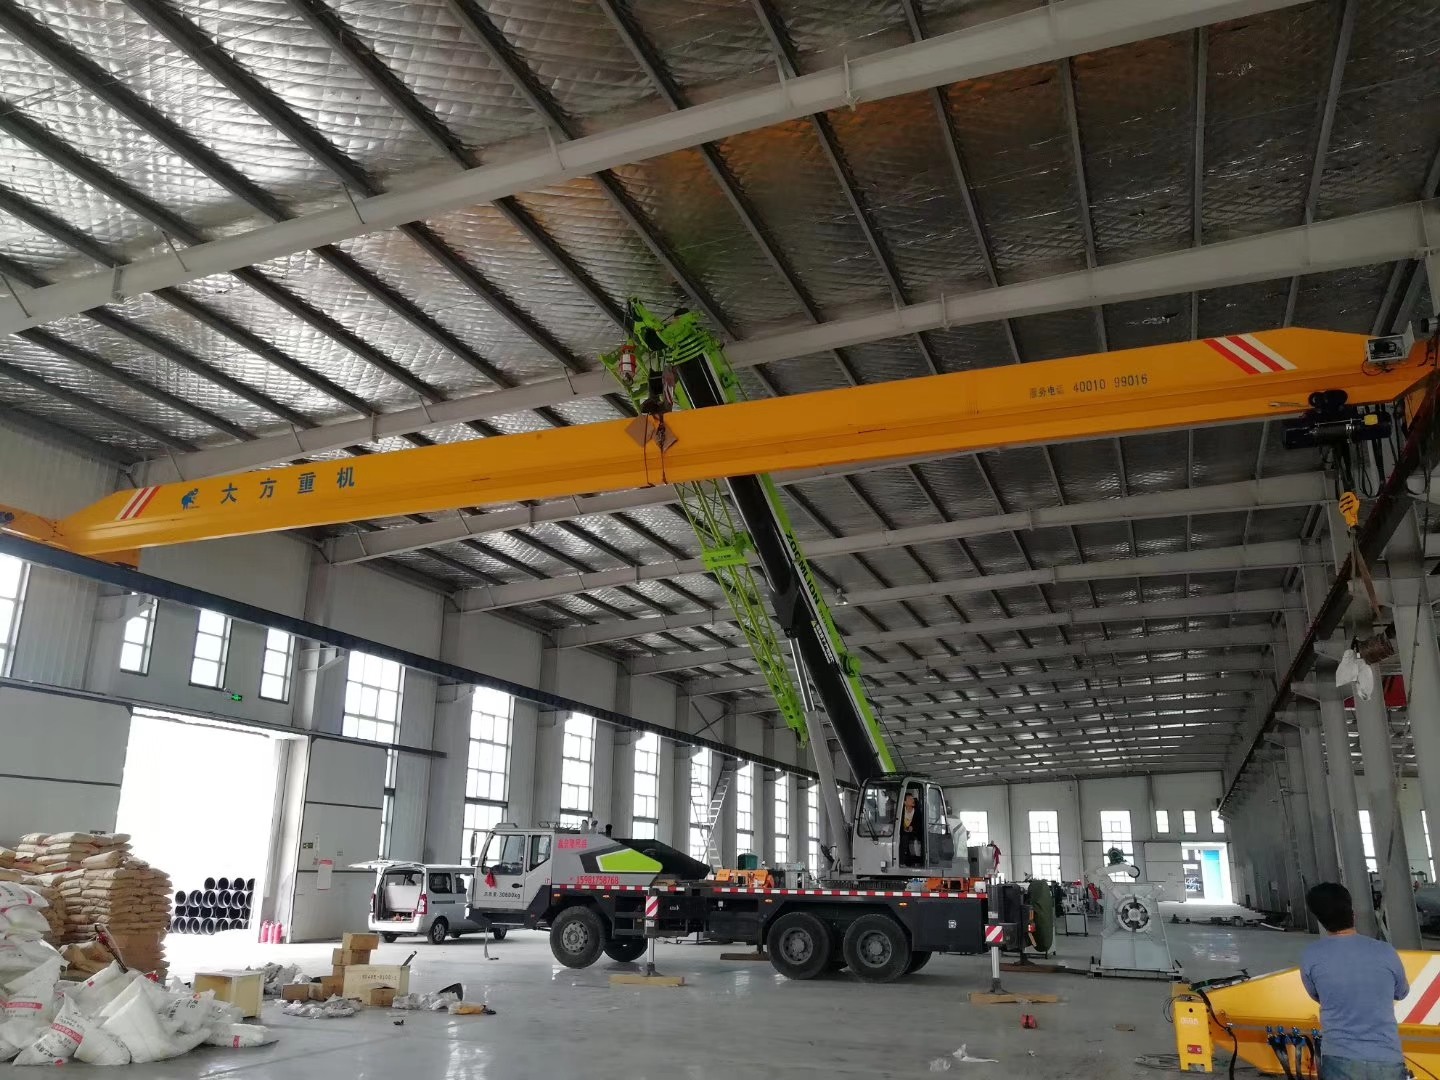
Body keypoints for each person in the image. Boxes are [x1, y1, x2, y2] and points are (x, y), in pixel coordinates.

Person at [1300, 882, 1409, 1080]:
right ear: (1352, 912)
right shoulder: (1385, 952)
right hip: (1386, 1057)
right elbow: (1401, 992)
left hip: (1338, 1058)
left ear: (1320, 919)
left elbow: (1317, 995)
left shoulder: (1311, 956)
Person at [899, 790, 924, 866]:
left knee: (907, 839)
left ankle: (907, 862)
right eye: (910, 799)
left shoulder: (917, 812)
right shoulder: (900, 812)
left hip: (914, 834)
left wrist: (913, 827)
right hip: (902, 833)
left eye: (912, 798)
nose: (912, 800)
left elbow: (920, 824)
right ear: (904, 802)